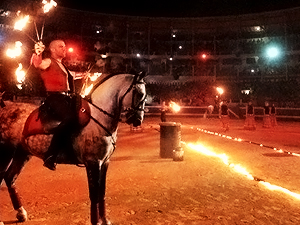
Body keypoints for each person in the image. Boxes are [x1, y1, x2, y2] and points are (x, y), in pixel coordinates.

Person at [31, 40, 79, 170]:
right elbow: (38, 64)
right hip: (55, 97)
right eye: (61, 47)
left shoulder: (61, 65)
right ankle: (50, 155)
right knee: (69, 118)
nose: (64, 49)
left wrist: (87, 75)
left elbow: (72, 76)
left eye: (65, 46)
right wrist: (38, 53)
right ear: (52, 49)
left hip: (66, 97)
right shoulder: (49, 61)